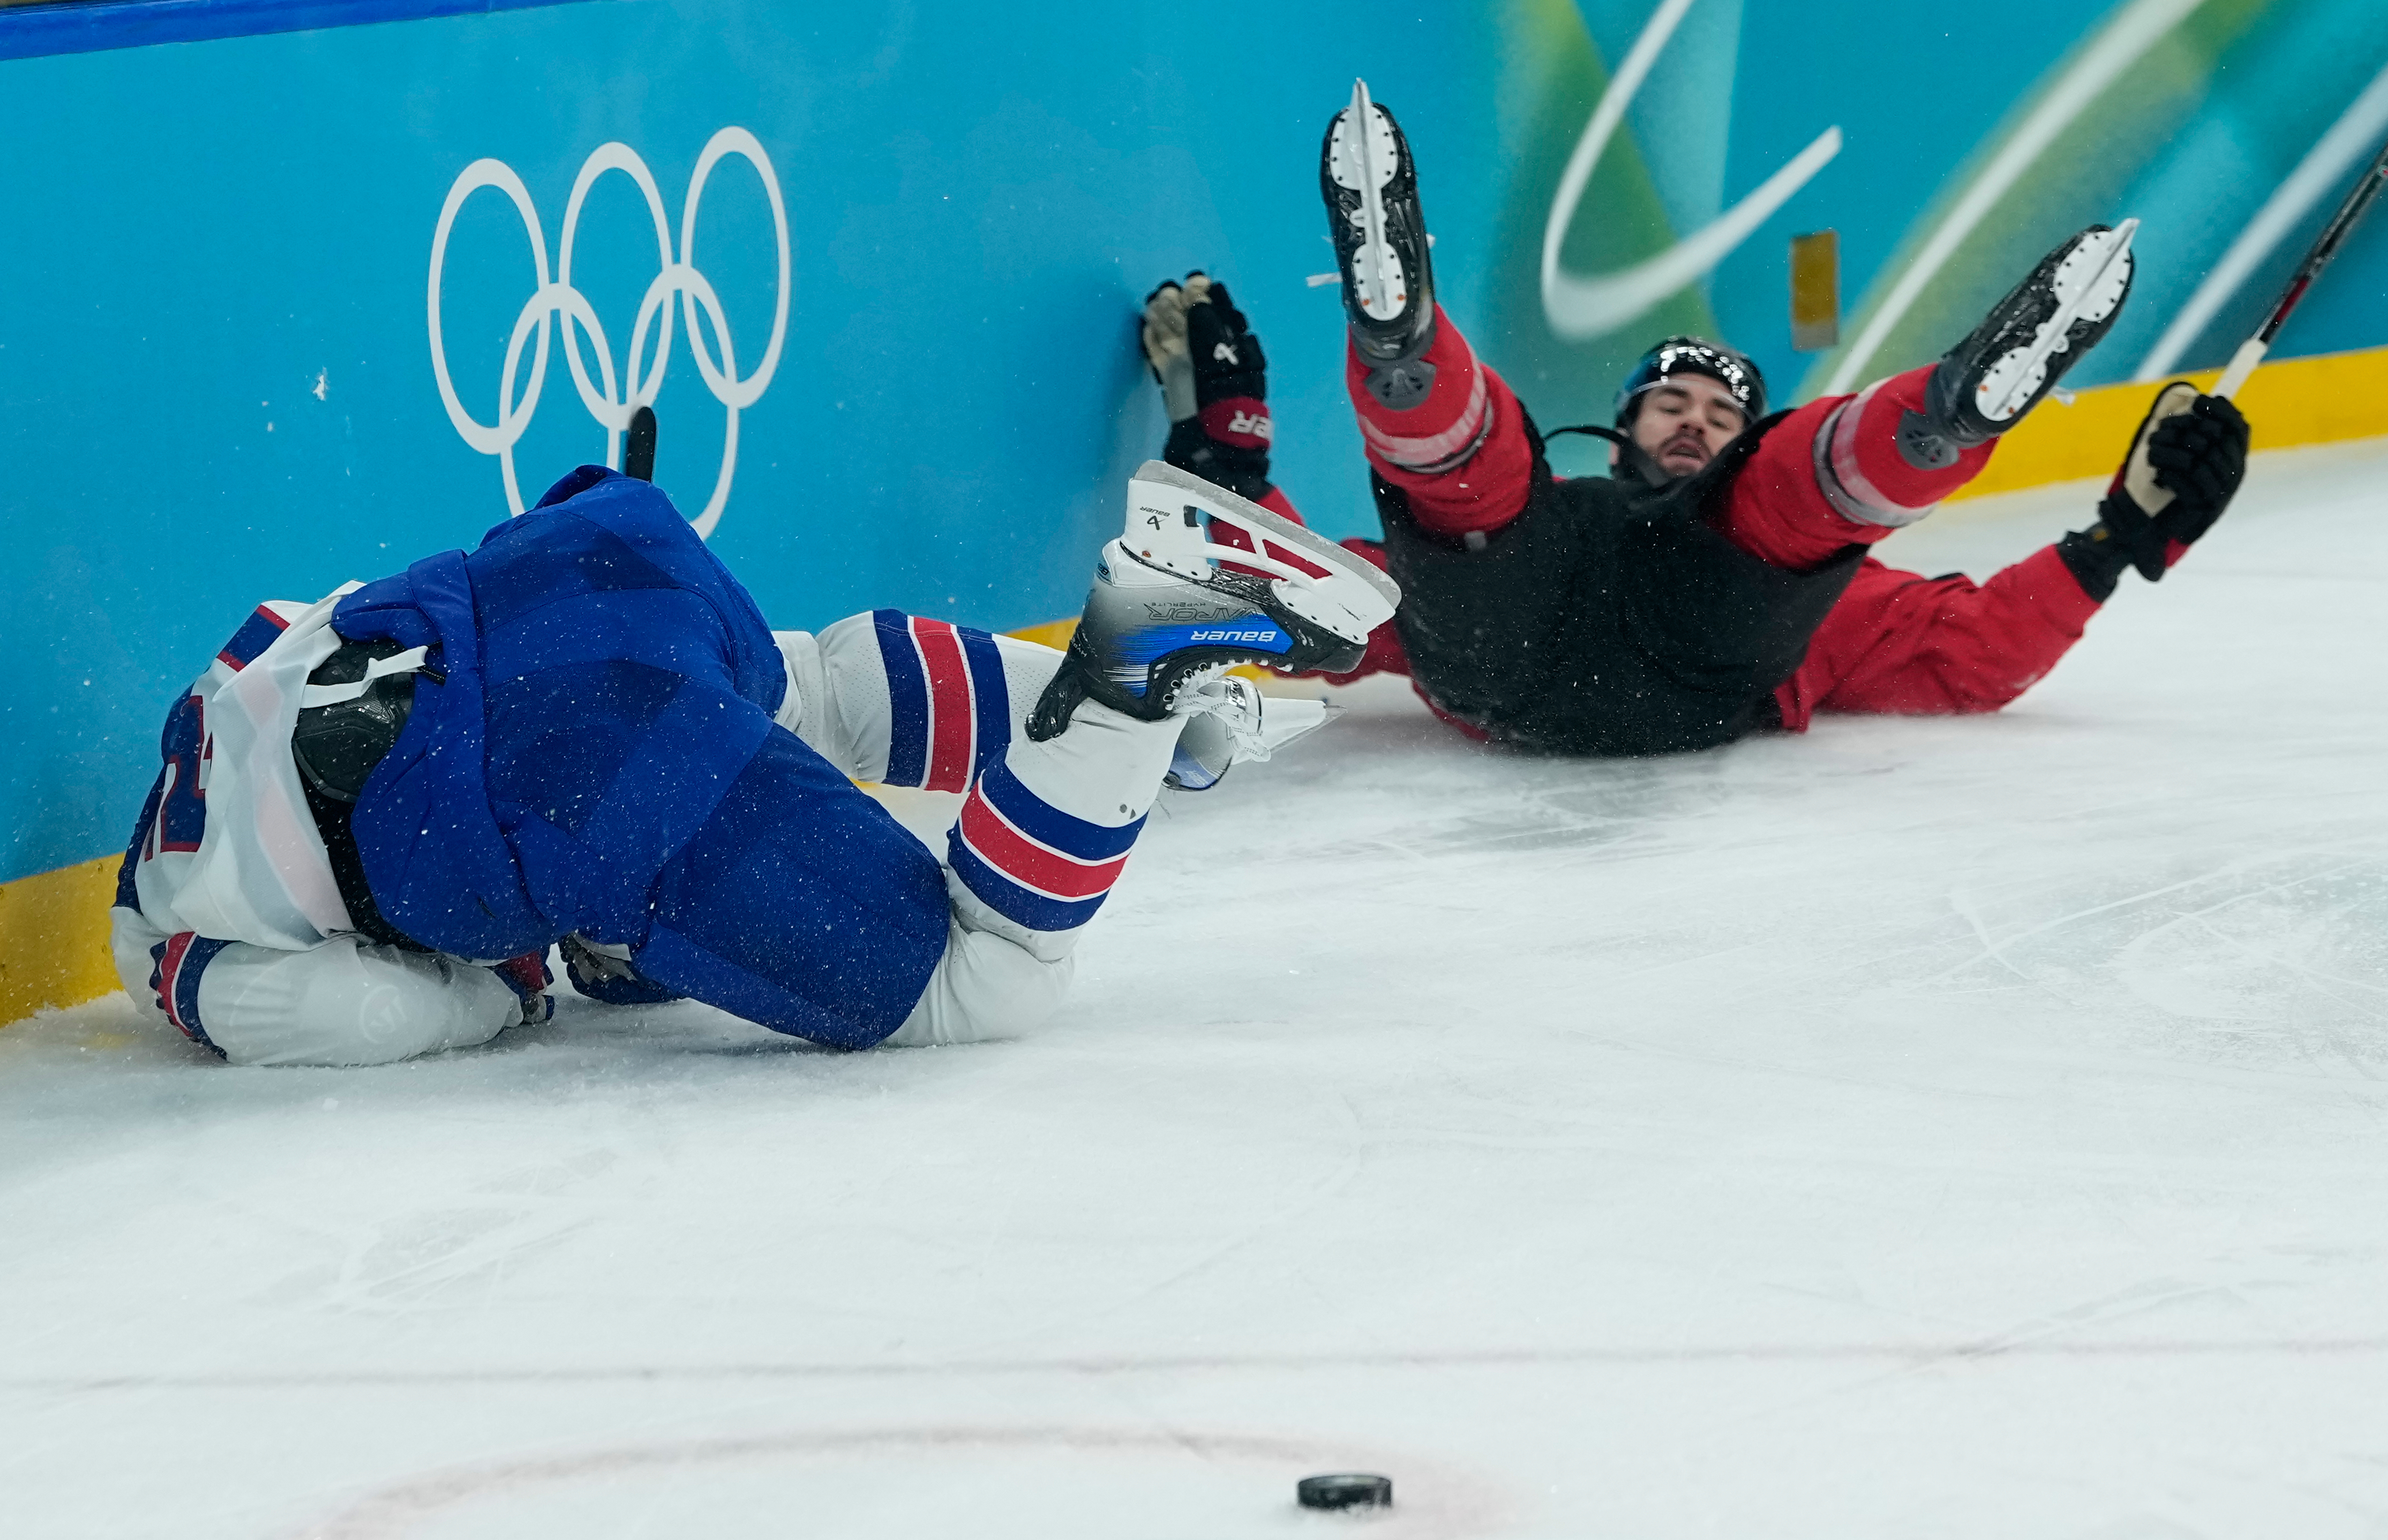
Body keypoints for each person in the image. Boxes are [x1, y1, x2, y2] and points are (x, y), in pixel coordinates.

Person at [110, 454, 1394, 1066]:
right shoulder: (210, 714)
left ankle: (1134, 677)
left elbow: (373, 1009)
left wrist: (512, 992)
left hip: (573, 780)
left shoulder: (166, 954)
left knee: (975, 987)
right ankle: (1159, 724)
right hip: (575, 563)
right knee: (808, 691)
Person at [1139, 88, 2251, 756]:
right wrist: (1226, 444)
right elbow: (1312, 597)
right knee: (1483, 505)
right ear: (1623, 422)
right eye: (1671, 399)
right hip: (1533, 642)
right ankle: (1404, 353)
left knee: (1772, 523)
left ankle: (1944, 417)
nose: (1693, 419)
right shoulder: (1567, 514)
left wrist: (2117, 545)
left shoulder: (1781, 551)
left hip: (1683, 655)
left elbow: (1964, 660)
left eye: (1723, 413)